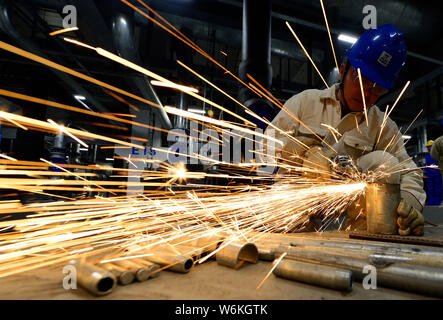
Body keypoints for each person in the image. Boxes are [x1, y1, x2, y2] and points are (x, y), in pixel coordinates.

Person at [266, 24, 425, 236]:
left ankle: (362, 242)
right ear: (343, 71)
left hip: (346, 206)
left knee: (386, 163)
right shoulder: (306, 102)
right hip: (297, 197)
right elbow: (267, 143)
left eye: (376, 89)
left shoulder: (381, 125)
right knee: (285, 209)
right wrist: (304, 154)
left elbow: (409, 171)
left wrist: (407, 204)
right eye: (361, 81)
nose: (366, 93)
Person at [423, 140, 442, 206]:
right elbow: (426, 165)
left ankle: (437, 203)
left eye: (430, 146)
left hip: (437, 176)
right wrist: (423, 170)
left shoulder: (438, 155)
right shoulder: (427, 156)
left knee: (438, 190)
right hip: (429, 176)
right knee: (430, 190)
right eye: (427, 147)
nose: (428, 148)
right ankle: (431, 203)